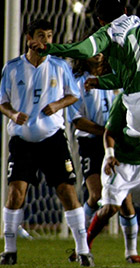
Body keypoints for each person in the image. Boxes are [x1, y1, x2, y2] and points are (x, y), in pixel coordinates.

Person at [29, 0, 140, 248]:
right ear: (125, 10)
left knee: (138, 131)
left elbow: (82, 50)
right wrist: (102, 82)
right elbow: (133, 71)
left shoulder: (108, 32)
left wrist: (51, 48)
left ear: (100, 20)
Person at [0, 19, 93, 266]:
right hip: (22, 141)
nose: (46, 41)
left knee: (67, 192)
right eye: (41, 35)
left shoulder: (60, 66)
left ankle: (83, 251)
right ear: (29, 39)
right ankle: (9, 251)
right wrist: (13, 114)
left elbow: (74, 95)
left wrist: (57, 105)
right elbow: (3, 102)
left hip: (53, 140)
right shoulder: (11, 68)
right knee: (15, 194)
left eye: (50, 36)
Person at [83, 92, 140, 264]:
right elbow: (109, 133)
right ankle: (84, 247)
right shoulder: (124, 99)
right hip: (122, 162)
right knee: (111, 208)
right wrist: (110, 155)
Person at [68, 54, 118, 225]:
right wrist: (104, 131)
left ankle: (131, 249)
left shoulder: (115, 78)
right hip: (91, 143)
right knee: (96, 194)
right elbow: (77, 120)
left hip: (115, 142)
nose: (97, 54)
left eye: (100, 49)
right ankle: (81, 236)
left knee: (124, 199)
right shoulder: (77, 83)